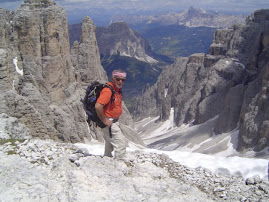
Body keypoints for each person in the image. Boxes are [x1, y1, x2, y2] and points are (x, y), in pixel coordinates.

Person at [95, 69, 127, 160]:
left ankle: (107, 160)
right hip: (109, 122)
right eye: (118, 79)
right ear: (113, 78)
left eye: (123, 80)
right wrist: (105, 120)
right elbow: (98, 106)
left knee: (109, 144)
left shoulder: (116, 90)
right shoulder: (108, 91)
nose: (120, 82)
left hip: (112, 122)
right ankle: (120, 164)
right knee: (121, 144)